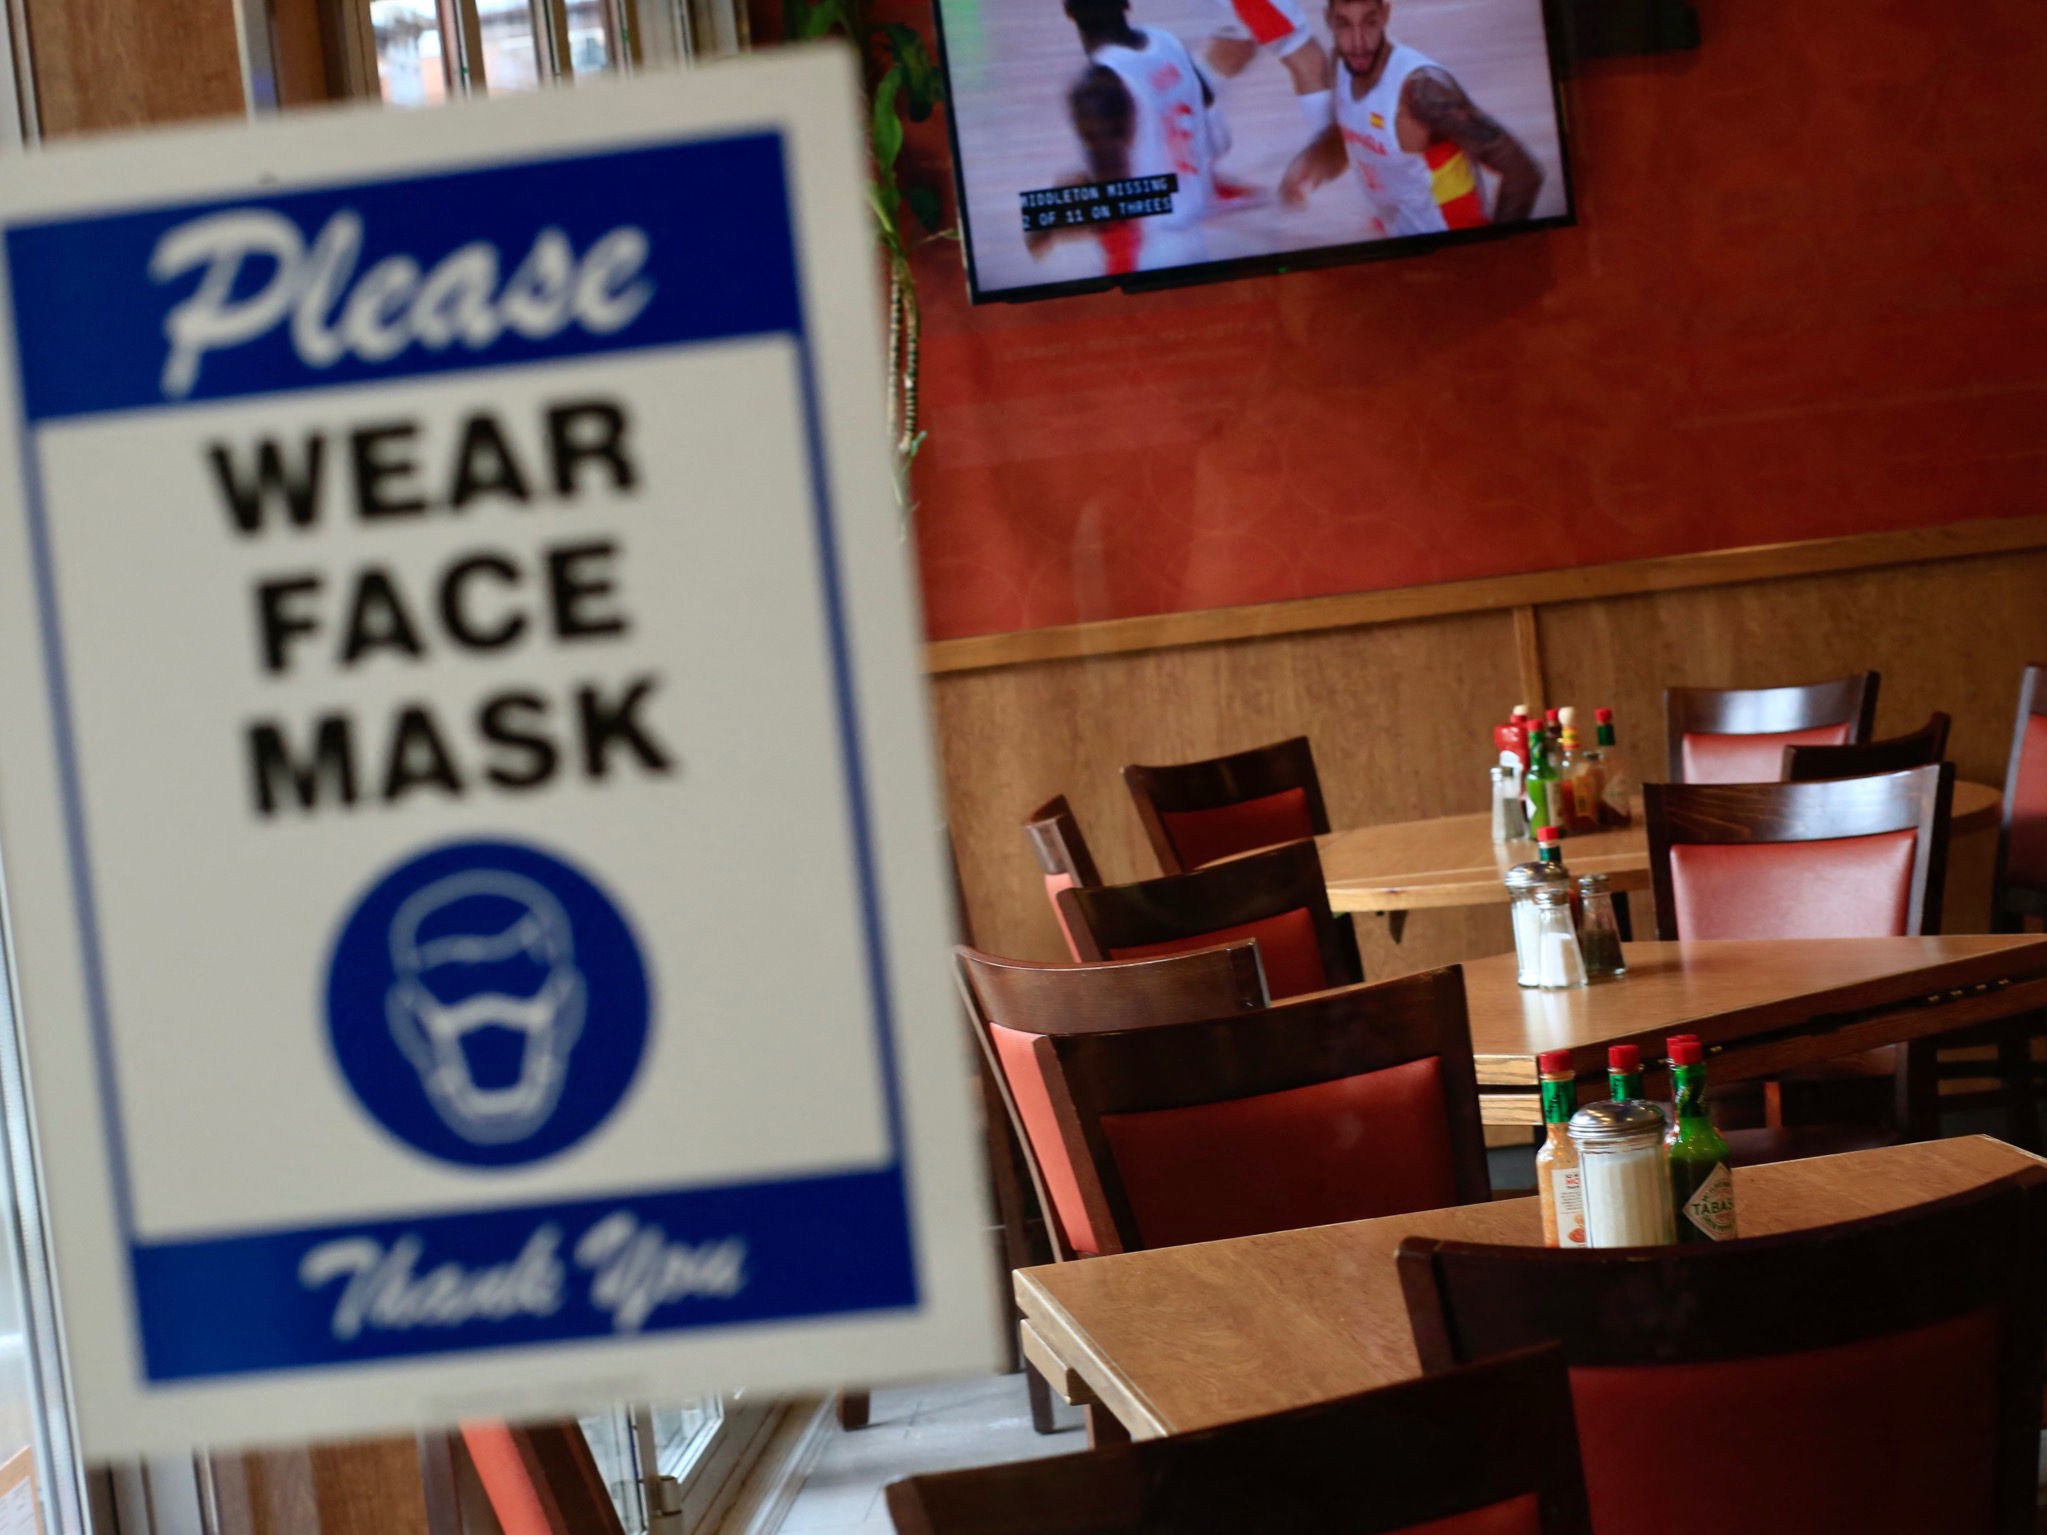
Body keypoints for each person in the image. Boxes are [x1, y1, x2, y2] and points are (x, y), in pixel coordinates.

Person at [1279, 0, 1542, 236]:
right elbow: (1350, 135)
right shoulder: (1343, 62)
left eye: (1369, 22)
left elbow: (1522, 172)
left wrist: (1498, 255)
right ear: (1328, 20)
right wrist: (1311, 160)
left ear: (1386, 13)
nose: (1358, 43)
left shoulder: (1422, 89)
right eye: (1344, 24)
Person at [1028, 0, 1222, 276]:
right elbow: (1212, 118)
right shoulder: (1167, 43)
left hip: (1150, 253)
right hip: (1195, 236)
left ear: (1069, 11)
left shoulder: (1096, 88)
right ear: (1126, 3)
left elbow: (1116, 203)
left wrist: (1048, 218)